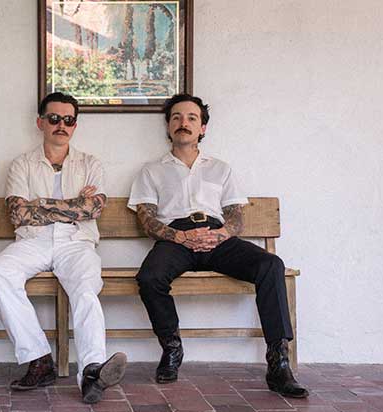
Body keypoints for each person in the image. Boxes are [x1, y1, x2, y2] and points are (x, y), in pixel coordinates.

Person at [128, 93, 308, 398]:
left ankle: (278, 362)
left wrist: (220, 235)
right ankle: (171, 348)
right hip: (175, 239)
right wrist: (180, 237)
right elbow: (145, 219)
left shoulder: (221, 169)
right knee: (149, 277)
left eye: (191, 118)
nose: (183, 123)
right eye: (176, 117)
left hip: (217, 237)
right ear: (168, 126)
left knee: (271, 265)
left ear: (202, 128)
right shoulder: (151, 170)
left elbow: (236, 217)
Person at [0, 92, 126, 404]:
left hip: (76, 242)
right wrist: (74, 205)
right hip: (33, 240)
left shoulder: (90, 163)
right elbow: (19, 214)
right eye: (54, 118)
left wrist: (41, 203)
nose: (62, 125)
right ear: (41, 122)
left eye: (68, 120)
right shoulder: (22, 164)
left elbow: (93, 210)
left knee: (85, 289)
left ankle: (92, 371)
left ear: (75, 125)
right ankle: (38, 359)